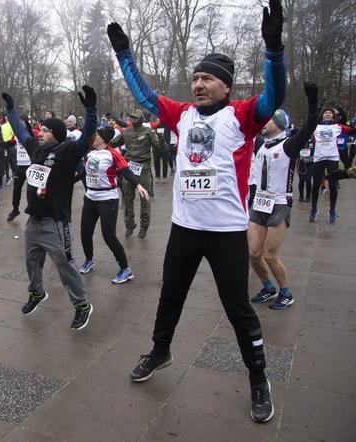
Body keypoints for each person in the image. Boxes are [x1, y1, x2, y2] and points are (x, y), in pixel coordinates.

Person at [108, 0, 285, 423]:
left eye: (208, 78)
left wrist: (273, 49)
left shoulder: (242, 117)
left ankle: (258, 379)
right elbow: (144, 95)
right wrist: (124, 55)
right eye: (196, 77)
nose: (199, 84)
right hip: (184, 229)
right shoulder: (182, 115)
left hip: (225, 234)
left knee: (237, 308)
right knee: (170, 297)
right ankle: (160, 351)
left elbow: (274, 94)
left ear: (226, 86)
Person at [1, 85, 96, 331]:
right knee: (32, 262)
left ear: (56, 133)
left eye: (45, 130)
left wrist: (91, 110)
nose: (40, 132)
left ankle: (82, 305)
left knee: (65, 265)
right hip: (34, 219)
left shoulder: (69, 150)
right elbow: (20, 131)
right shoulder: (36, 148)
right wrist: (11, 110)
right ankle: (36, 293)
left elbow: (88, 136)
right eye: (40, 129)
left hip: (56, 221)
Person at [249, 82, 318, 310]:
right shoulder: (260, 143)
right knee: (253, 253)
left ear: (279, 124)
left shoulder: (289, 145)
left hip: (279, 204)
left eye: (269, 119)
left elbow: (310, 126)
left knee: (270, 255)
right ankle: (268, 287)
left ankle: (286, 292)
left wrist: (312, 100)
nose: (263, 122)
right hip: (259, 202)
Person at [79, 125, 149, 283]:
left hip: (107, 198)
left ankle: (125, 269)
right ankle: (89, 260)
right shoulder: (91, 153)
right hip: (90, 197)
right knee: (85, 233)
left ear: (102, 138)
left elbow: (126, 171)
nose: (92, 137)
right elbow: (84, 173)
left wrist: (138, 185)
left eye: (95, 135)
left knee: (108, 236)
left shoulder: (112, 154)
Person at [110, 110, 158, 239]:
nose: (133, 120)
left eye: (135, 118)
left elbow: (158, 145)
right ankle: (130, 225)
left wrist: (160, 139)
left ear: (141, 119)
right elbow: (112, 143)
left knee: (144, 198)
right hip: (130, 167)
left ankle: (144, 226)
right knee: (127, 197)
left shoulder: (147, 131)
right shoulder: (126, 132)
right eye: (131, 118)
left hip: (144, 168)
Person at [309, 108, 356, 223]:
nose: (328, 114)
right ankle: (314, 209)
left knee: (333, 186)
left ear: (333, 116)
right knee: (315, 186)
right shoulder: (315, 126)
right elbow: (304, 130)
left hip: (332, 158)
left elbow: (352, 131)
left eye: (330, 113)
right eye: (326, 112)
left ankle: (332, 211)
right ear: (322, 115)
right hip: (318, 158)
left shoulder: (337, 127)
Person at [7, 116, 33, 222]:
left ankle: (33, 211)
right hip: (20, 165)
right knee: (16, 188)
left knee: (32, 190)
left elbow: (33, 136)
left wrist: (27, 125)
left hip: (30, 165)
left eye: (23, 122)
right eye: (19, 123)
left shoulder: (31, 132)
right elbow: (11, 142)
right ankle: (15, 209)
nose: (20, 124)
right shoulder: (16, 134)